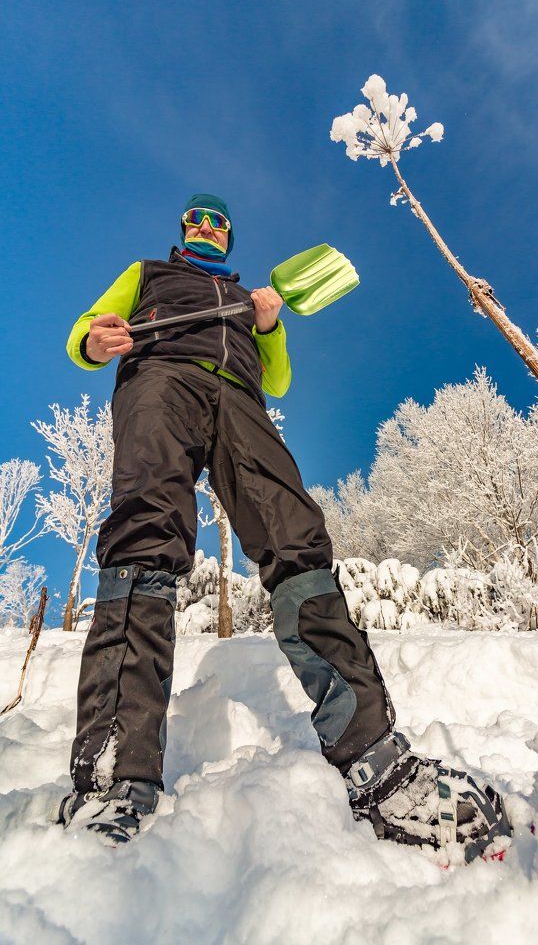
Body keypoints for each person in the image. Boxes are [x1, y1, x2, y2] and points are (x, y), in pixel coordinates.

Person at [55, 193, 511, 859]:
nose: (207, 227)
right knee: (145, 535)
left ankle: (372, 757)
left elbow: (281, 378)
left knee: (296, 537)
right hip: (159, 381)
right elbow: (90, 332)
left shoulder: (250, 300)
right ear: (184, 229)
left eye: (219, 222)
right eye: (197, 220)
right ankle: (113, 777)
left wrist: (268, 326)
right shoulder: (148, 273)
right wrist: (95, 341)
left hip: (240, 401)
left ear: (229, 237)